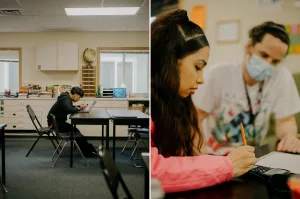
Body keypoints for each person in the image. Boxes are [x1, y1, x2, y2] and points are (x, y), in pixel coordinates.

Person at [151, 9, 257, 193]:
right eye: (197, 67)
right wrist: (226, 165)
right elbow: (154, 171)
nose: (201, 79)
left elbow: (190, 155)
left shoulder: (179, 102)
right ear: (169, 61)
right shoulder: (151, 108)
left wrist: (221, 160)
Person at [193, 21, 300, 155]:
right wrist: (199, 153)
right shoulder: (219, 74)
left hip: (253, 156)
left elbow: (286, 120)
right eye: (264, 55)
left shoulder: (281, 76)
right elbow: (195, 117)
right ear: (249, 46)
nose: (268, 64)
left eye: (275, 61)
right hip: (215, 155)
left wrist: (289, 138)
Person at [47, 86, 97, 156]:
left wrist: (78, 107)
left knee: (77, 132)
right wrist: (78, 108)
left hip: (58, 123)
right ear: (75, 94)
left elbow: (69, 108)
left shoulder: (66, 98)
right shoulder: (65, 99)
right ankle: (88, 151)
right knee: (77, 133)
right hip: (55, 124)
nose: (78, 99)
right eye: (79, 97)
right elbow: (70, 110)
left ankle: (87, 149)